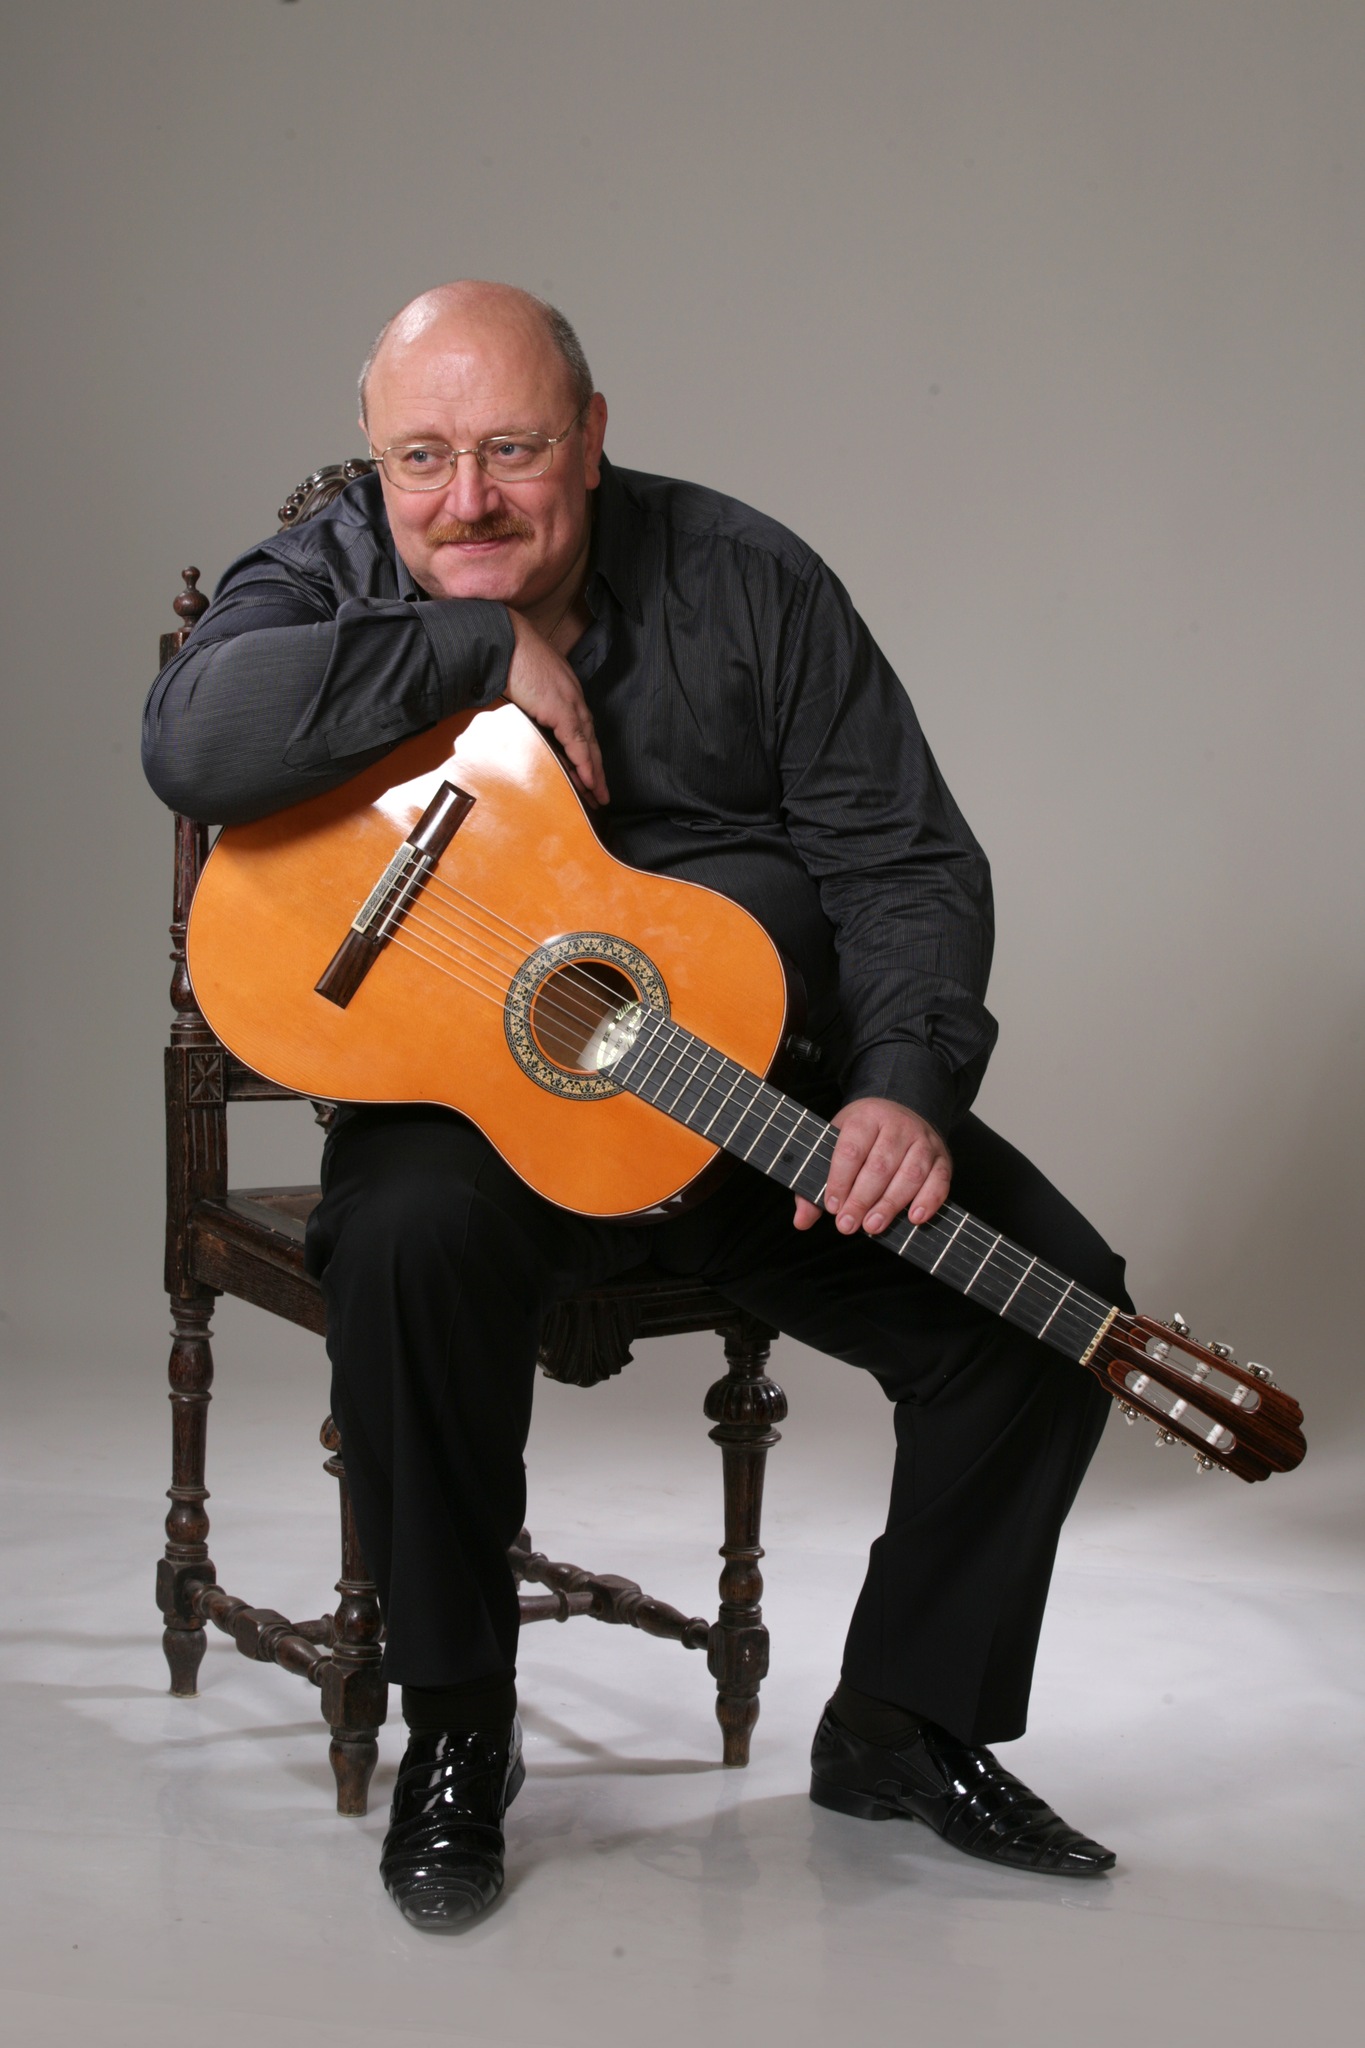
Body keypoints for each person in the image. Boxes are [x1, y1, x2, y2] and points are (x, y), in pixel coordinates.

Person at [143, 281, 1130, 1931]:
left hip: (744, 1113)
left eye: (513, 450)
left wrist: (900, 1090)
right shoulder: (330, 572)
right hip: (474, 1126)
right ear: (376, 461)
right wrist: (474, 644)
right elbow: (194, 742)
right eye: (422, 458)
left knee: (1053, 1306)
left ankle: (903, 1723)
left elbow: (902, 859)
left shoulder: (748, 581)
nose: (466, 499)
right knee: (405, 1246)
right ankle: (460, 1731)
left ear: (591, 439)